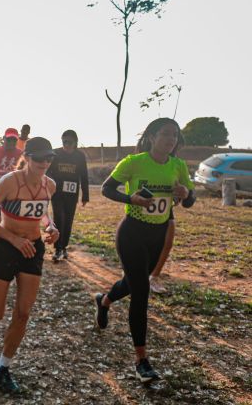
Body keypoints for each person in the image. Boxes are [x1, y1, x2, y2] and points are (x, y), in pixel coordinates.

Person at [95, 118, 195, 383]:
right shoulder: (134, 162)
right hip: (132, 233)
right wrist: (131, 198)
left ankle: (104, 301)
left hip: (157, 236)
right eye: (165, 134)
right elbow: (106, 188)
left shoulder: (178, 166)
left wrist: (185, 193)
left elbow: (189, 201)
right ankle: (141, 360)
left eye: (174, 135)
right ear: (151, 136)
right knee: (141, 291)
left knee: (132, 283)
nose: (171, 139)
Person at [0, 137, 59, 394]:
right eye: (39, 158)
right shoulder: (10, 181)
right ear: (27, 157)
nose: (45, 162)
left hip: (33, 249)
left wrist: (51, 228)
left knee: (23, 313)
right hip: (7, 246)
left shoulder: (50, 185)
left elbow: (44, 213)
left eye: (49, 158)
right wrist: (15, 239)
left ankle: (3, 367)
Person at [46, 129, 89, 261]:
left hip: (72, 193)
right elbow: (47, 171)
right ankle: (57, 248)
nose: (66, 145)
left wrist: (85, 195)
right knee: (59, 217)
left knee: (68, 220)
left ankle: (64, 246)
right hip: (57, 192)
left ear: (75, 142)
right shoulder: (56, 154)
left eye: (69, 142)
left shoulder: (80, 156)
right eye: (64, 142)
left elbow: (84, 176)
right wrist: (49, 185)